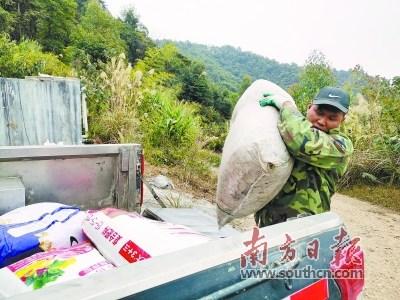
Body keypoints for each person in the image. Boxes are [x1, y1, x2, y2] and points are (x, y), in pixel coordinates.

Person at [255, 87, 353, 227]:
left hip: (306, 228)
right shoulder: (291, 124)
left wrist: (286, 106)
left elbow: (302, 142)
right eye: (319, 112)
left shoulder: (341, 146)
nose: (322, 121)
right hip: (270, 224)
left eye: (332, 118)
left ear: (342, 120)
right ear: (309, 107)